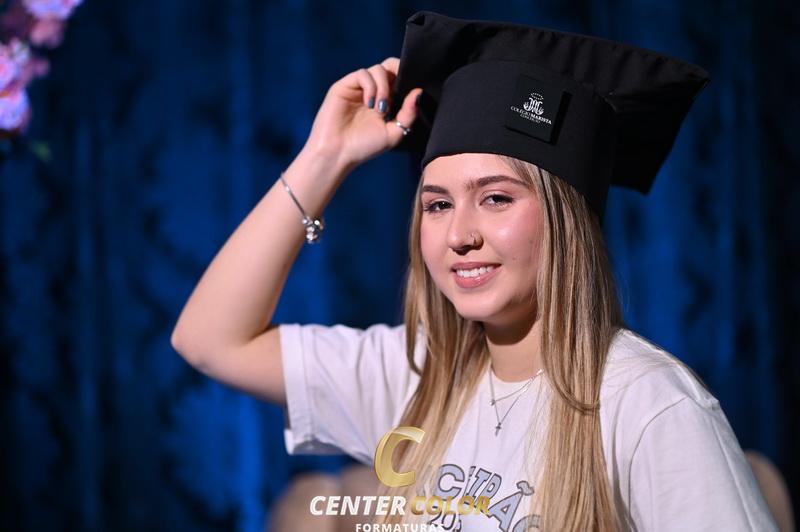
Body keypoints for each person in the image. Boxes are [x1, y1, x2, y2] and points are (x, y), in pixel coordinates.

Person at [171, 11, 778, 532]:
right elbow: (210, 341)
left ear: (565, 222)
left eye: (496, 198)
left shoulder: (651, 405)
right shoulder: (418, 375)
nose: (460, 235)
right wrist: (324, 158)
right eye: (437, 205)